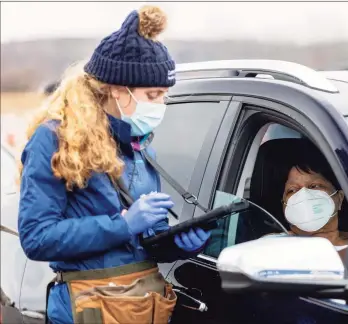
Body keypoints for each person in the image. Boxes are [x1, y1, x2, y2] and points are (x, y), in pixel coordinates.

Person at [18, 6, 210, 324]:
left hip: (140, 303)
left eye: (164, 95)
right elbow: (36, 237)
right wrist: (121, 225)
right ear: (118, 91)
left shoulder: (139, 146)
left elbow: (144, 242)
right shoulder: (54, 139)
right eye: (153, 94)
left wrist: (178, 245)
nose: (161, 104)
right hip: (88, 307)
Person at [269, 139, 348, 260]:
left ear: (339, 198)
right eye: (292, 190)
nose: (304, 195)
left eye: (315, 186)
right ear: (284, 205)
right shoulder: (273, 248)